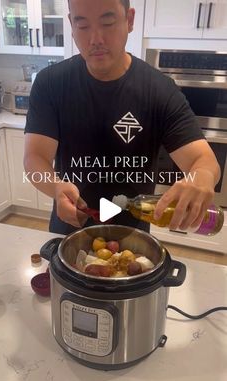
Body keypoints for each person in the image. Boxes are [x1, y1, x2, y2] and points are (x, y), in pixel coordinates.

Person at [24, 0, 220, 235]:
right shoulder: (50, 84)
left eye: (107, 23)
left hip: (133, 236)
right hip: (69, 228)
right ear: (71, 26)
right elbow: (35, 156)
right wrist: (55, 187)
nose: (96, 39)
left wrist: (203, 176)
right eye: (83, 26)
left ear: (130, 20)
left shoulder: (160, 90)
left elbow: (203, 159)